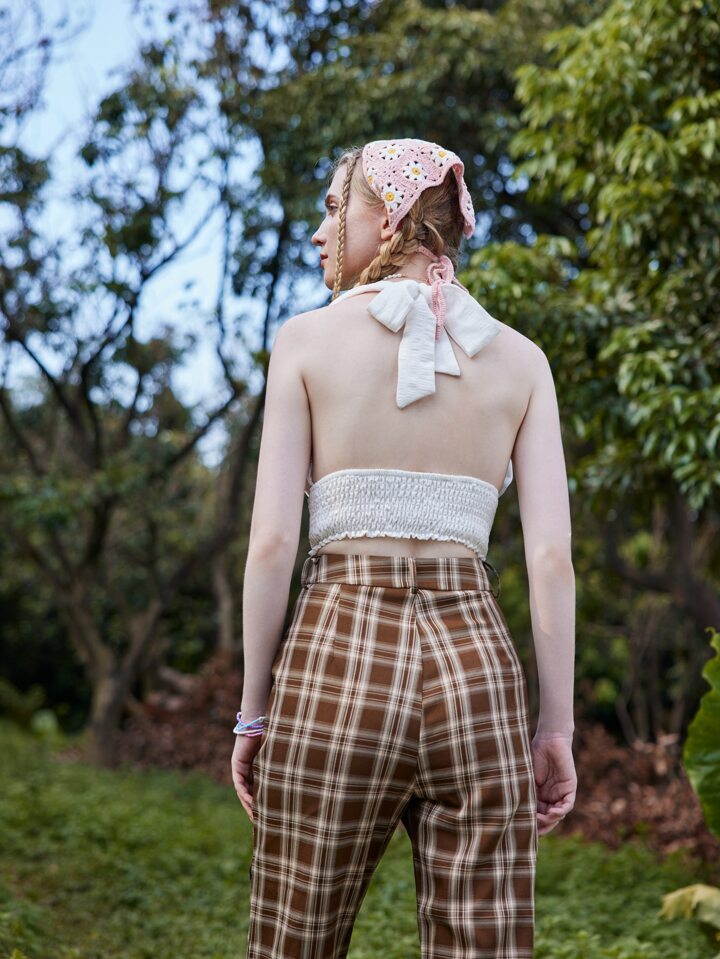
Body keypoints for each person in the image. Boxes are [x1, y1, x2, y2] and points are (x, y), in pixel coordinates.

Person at [232, 137, 577, 959]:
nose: (319, 232)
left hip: (335, 660)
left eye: (332, 208)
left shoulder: (305, 342)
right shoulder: (522, 361)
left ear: (386, 217)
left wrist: (253, 709)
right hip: (477, 670)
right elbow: (551, 560)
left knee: (296, 939)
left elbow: (273, 540)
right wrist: (555, 728)